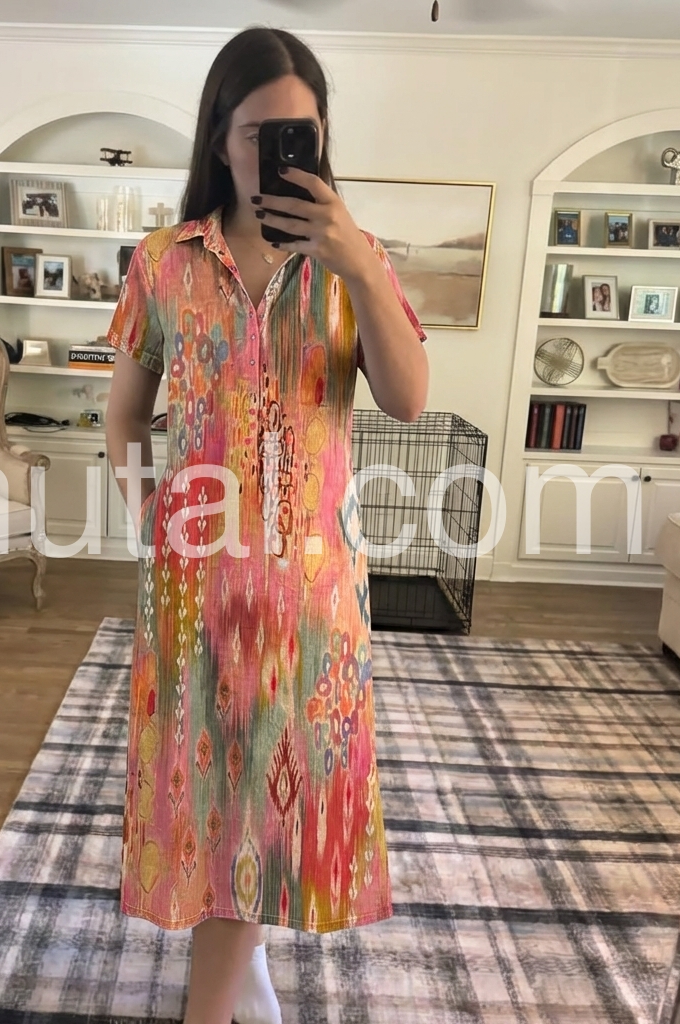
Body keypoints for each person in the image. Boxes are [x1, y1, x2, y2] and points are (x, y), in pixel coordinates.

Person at [104, 26, 428, 1024]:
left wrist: (355, 263)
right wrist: (150, 516)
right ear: (218, 136)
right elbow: (123, 417)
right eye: (258, 133)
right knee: (212, 803)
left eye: (301, 133)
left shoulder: (353, 264)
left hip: (309, 593)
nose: (279, 152)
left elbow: (409, 398)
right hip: (195, 589)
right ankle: (236, 979)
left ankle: (216, 996)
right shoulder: (162, 263)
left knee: (271, 799)